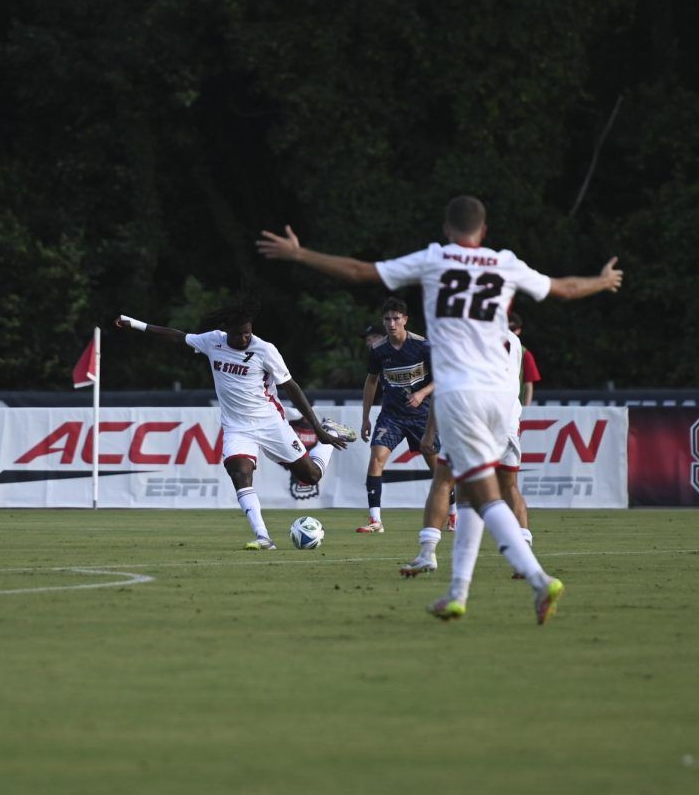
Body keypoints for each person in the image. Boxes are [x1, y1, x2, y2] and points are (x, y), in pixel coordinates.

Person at [257, 195, 622, 623]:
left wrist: (300, 254)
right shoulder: (503, 261)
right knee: (465, 490)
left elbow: (359, 272)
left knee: (483, 495)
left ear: (447, 230)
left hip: (462, 394)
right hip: (501, 399)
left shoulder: (435, 258)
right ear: (483, 231)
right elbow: (565, 289)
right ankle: (456, 593)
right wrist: (602, 281)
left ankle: (539, 578)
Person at [115, 294, 353, 550]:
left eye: (247, 333)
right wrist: (135, 324)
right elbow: (177, 336)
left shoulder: (265, 350)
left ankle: (327, 432)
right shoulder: (212, 341)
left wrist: (317, 427)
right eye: (238, 334)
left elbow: (291, 386)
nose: (244, 338)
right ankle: (263, 537)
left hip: (270, 423)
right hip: (237, 427)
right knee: (240, 473)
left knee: (311, 476)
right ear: (226, 330)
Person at [400, 326, 529, 577]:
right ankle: (524, 557)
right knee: (509, 487)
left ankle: (427, 553)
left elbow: (445, 387)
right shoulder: (513, 340)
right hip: (506, 421)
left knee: (444, 481)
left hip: (471, 420)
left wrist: (429, 431)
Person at [354, 297, 455, 534]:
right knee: (376, 458)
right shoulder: (378, 350)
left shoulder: (423, 346)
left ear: (405, 320)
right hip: (391, 416)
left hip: (423, 416)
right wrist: (365, 417)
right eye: (387, 319)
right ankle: (375, 520)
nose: (391, 323)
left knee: (438, 470)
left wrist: (422, 393)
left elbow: (443, 378)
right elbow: (371, 381)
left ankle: (453, 515)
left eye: (396, 319)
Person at [507, 312, 541, 406]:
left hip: (515, 406)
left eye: (512, 329)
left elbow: (528, 385)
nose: (509, 332)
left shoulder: (525, 354)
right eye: (506, 328)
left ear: (518, 331)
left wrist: (526, 408)